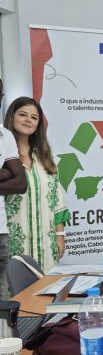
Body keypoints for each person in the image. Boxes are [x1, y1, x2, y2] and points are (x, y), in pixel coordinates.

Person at [4, 97, 70, 274]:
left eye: (34, 117)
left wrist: (60, 236)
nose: (28, 120)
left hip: (46, 247)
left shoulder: (44, 158)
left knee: (47, 288)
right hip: (13, 245)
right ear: (11, 117)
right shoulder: (3, 157)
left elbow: (57, 200)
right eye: (22, 115)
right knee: (16, 288)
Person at [0, 81, 27, 299]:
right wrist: (5, 173)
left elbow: (20, 183)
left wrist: (10, 173)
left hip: (0, 232)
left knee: (1, 298)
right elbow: (12, 175)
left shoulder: (4, 135)